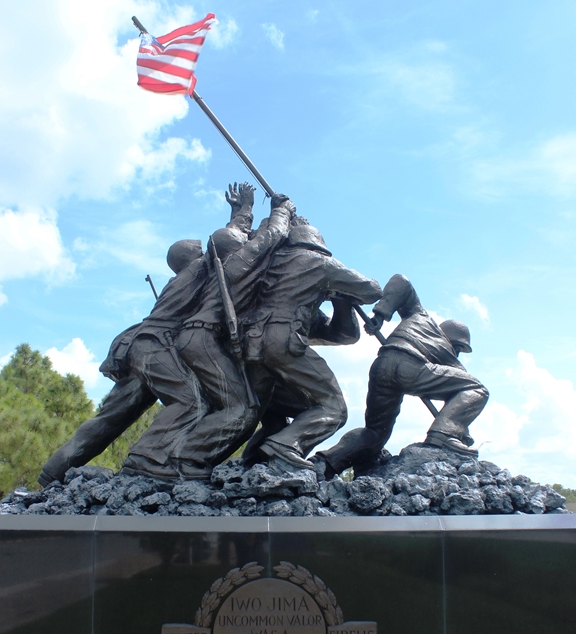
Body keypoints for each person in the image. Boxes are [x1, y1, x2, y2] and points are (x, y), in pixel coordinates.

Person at [38, 238, 210, 486]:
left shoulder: (181, 279)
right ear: (190, 257)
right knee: (192, 401)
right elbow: (225, 244)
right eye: (200, 250)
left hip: (140, 347)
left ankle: (52, 471)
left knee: (111, 418)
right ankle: (147, 458)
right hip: (154, 346)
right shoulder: (195, 269)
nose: (205, 252)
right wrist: (243, 210)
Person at [160, 191, 296, 479]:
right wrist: (282, 209)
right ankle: (187, 458)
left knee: (227, 404)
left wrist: (243, 211)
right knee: (242, 407)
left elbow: (233, 237)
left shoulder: (211, 267)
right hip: (203, 338)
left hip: (197, 338)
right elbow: (273, 234)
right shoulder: (241, 260)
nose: (248, 241)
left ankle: (185, 457)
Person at [316, 273, 489, 478]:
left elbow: (401, 282)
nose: (458, 353)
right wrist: (457, 430)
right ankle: (443, 436)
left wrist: (380, 315)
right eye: (459, 348)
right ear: (456, 343)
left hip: (382, 365)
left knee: (374, 433)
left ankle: (324, 464)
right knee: (477, 389)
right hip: (411, 367)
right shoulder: (449, 354)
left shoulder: (418, 315)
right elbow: (463, 391)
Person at [242, 217, 381, 470]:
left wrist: (340, 299)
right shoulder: (319, 263)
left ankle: (254, 460)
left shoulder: (269, 270)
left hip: (249, 345)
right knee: (333, 407)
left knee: (272, 408)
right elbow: (372, 290)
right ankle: (285, 446)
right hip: (282, 342)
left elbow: (342, 335)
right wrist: (341, 285)